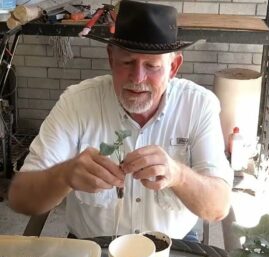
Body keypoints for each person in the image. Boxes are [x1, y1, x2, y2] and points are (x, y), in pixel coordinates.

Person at [8, 0, 233, 240]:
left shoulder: (198, 105)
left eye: (152, 66)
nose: (138, 78)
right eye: (127, 62)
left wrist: (178, 175)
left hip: (172, 246)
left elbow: (218, 207)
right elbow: (20, 198)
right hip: (93, 247)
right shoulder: (76, 103)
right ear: (110, 59)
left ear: (173, 67)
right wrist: (63, 175)